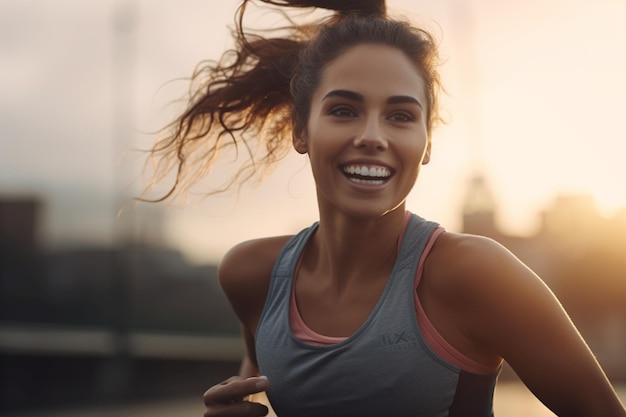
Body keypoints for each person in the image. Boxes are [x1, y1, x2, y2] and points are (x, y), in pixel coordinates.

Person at [148, 1, 626, 416]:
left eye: (400, 116)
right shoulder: (250, 274)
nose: (372, 137)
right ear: (300, 130)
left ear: (427, 143)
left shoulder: (475, 273)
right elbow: (257, 377)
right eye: (344, 110)